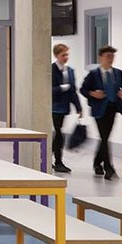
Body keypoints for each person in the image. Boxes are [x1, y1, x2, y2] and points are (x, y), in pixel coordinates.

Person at [80, 45, 122, 180]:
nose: (110, 59)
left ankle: (97, 163)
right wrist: (92, 93)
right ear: (100, 58)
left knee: (104, 138)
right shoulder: (94, 74)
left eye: (112, 56)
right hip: (99, 110)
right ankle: (109, 168)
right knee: (104, 137)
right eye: (108, 56)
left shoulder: (118, 73)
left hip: (113, 108)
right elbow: (83, 89)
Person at [50, 43, 82, 173]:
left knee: (58, 134)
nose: (66, 57)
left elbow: (73, 91)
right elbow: (49, 89)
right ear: (57, 55)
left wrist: (79, 107)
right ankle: (58, 161)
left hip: (64, 107)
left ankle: (48, 157)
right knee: (59, 134)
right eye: (63, 55)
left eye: (67, 54)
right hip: (55, 106)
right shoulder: (51, 70)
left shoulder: (70, 71)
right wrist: (63, 88)